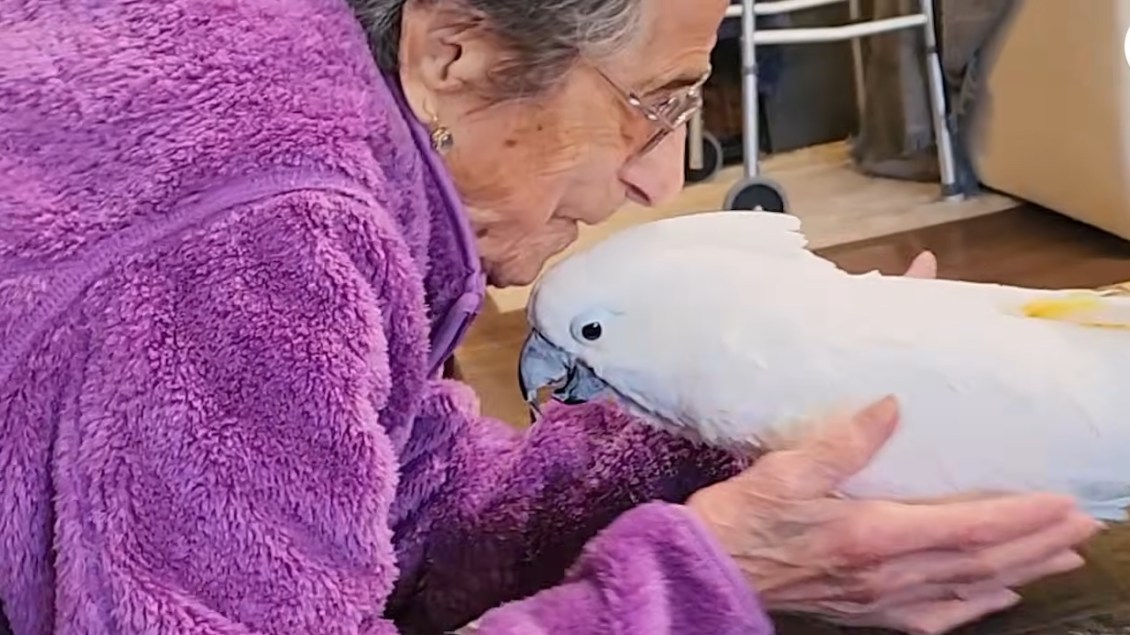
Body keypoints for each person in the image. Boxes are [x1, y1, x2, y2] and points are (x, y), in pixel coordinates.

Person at [0, 0, 1101, 633]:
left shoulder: (302, 81)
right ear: (457, 51)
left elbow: (386, 503)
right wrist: (700, 581)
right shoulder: (255, 234)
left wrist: (743, 435)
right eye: (654, 103)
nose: (659, 177)